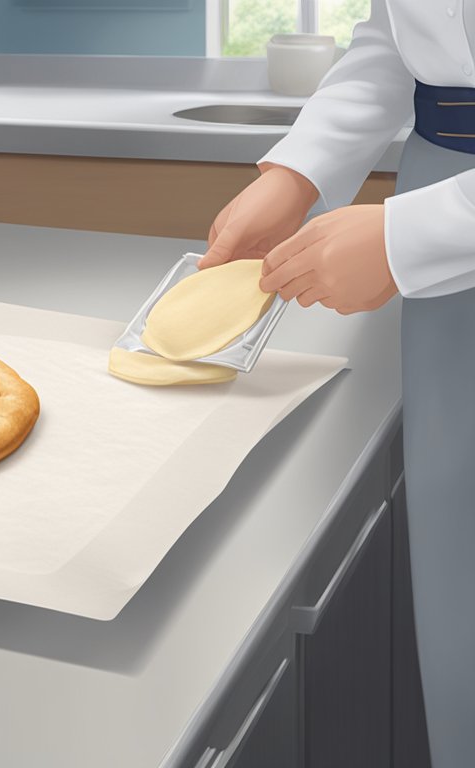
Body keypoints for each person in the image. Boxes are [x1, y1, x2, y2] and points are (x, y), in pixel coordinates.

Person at [200, 2, 475, 764]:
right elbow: (401, 38)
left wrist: (409, 237)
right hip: (439, 187)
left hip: (446, 218)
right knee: (459, 565)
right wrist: (297, 173)